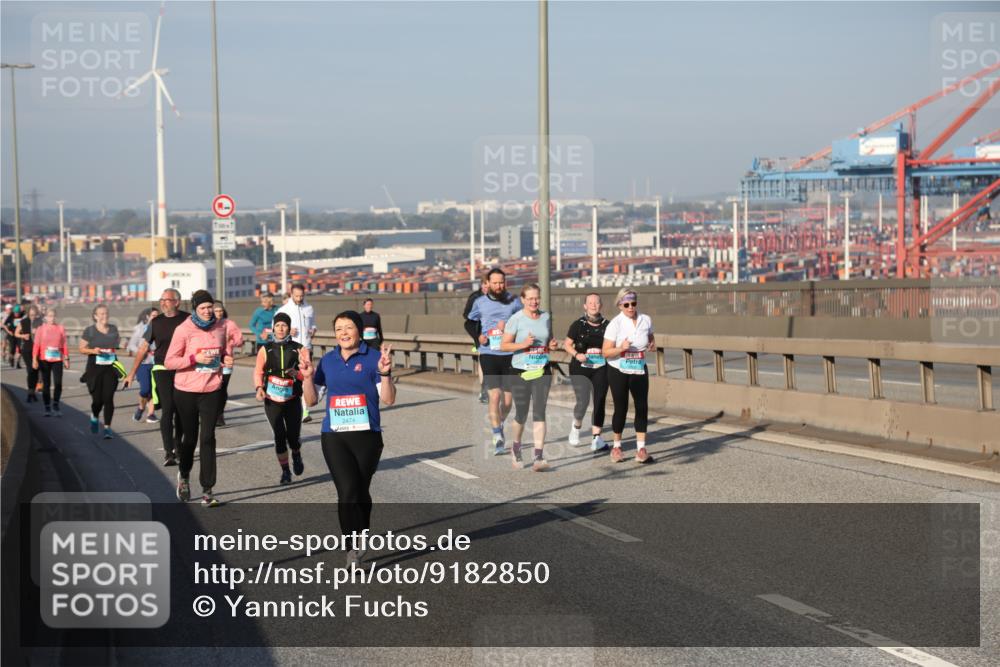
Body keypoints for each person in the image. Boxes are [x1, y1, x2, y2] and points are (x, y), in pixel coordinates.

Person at [302, 310, 395, 567]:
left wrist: (385, 374)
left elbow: (388, 399)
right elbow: (311, 400)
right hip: (334, 436)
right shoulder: (328, 360)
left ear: (359, 330)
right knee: (346, 492)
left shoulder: (374, 358)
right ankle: (351, 548)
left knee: (360, 490)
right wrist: (307, 378)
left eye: (349, 327)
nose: (344, 333)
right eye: (339, 329)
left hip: (367, 437)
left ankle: (363, 531)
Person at [163, 289, 234, 507]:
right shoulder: (184, 329)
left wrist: (227, 359)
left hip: (212, 389)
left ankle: (207, 490)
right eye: (202, 308)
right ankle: (184, 475)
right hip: (185, 391)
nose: (207, 311)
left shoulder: (221, 327)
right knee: (190, 438)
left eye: (209, 307)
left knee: (208, 438)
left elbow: (222, 352)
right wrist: (194, 358)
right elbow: (169, 361)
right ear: (195, 309)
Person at [124, 289, 188, 466]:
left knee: (181, 411)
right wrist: (131, 373)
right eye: (161, 300)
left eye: (167, 300)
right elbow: (143, 348)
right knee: (168, 409)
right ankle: (169, 452)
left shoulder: (188, 319)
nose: (163, 303)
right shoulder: (156, 322)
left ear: (177, 302)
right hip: (162, 368)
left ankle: (179, 446)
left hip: (183, 369)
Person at [500, 284, 559, 471]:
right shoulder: (515, 319)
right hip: (520, 371)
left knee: (540, 411)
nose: (534, 302)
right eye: (530, 298)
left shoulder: (546, 317)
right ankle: (516, 446)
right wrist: (523, 344)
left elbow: (548, 339)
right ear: (523, 300)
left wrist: (552, 344)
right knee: (522, 414)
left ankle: (538, 457)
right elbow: (504, 346)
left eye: (537, 298)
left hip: (542, 369)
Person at [467, 268, 522, 455]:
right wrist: (478, 337)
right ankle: (497, 434)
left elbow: (523, 320)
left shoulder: (514, 301)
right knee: (495, 396)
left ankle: (499, 420)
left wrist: (509, 328)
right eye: (496, 282)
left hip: (508, 354)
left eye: (502, 282)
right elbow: (469, 321)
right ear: (488, 283)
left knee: (507, 401)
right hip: (489, 353)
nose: (499, 286)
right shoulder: (480, 302)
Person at [254, 312, 308, 485]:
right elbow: (258, 371)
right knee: (279, 436)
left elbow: (308, 373)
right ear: (273, 327)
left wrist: (298, 374)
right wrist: (259, 387)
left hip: (292, 399)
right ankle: (285, 471)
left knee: (293, 436)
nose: (280, 328)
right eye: (277, 325)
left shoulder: (299, 348)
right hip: (272, 400)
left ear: (289, 328)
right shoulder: (265, 349)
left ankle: (297, 454)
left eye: (284, 325)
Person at [601, 288, 654, 464]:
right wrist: (621, 348)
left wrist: (652, 343)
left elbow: (650, 336)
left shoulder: (646, 319)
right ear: (620, 305)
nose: (631, 307)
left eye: (633, 303)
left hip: (638, 368)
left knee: (642, 406)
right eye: (626, 304)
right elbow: (606, 352)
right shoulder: (614, 324)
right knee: (621, 407)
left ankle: (641, 449)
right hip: (618, 369)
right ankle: (617, 446)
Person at [563, 293, 611, 452]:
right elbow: (567, 344)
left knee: (599, 400)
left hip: (601, 368)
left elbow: (613, 345)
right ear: (585, 306)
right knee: (582, 401)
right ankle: (576, 427)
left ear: (601, 305)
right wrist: (577, 354)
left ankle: (597, 438)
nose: (593, 305)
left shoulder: (608, 325)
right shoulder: (578, 325)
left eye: (596, 302)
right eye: (590, 302)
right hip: (580, 367)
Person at [79, 304, 123, 439]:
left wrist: (122, 345)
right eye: (102, 314)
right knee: (97, 400)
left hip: (110, 368)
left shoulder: (113, 329)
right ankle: (94, 416)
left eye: (106, 313)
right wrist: (93, 350)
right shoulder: (90, 331)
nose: (105, 316)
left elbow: (116, 344)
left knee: (108, 398)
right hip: (94, 369)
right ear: (95, 316)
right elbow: (81, 348)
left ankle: (108, 428)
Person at [277, 283, 317, 422]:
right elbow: (275, 329)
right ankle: (286, 407)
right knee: (290, 380)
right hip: (290, 348)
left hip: (305, 348)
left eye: (301, 296)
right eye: (296, 296)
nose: (299, 298)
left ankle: (305, 411)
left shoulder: (309, 308)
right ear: (291, 294)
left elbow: (313, 324)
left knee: (306, 379)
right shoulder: (284, 310)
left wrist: (313, 329)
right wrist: (288, 331)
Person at [32, 308, 69, 417]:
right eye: (49, 316)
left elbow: (64, 345)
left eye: (53, 316)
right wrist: (34, 359)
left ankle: (56, 404)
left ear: (55, 317)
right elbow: (36, 345)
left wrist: (66, 359)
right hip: (44, 360)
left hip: (57, 359)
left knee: (58, 383)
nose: (51, 318)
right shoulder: (40, 329)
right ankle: (47, 407)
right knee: (46, 384)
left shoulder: (60, 328)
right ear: (45, 317)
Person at [213, 300, 244, 427]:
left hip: (227, 360)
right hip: (212, 360)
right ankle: (209, 413)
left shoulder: (230, 324)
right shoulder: (208, 324)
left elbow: (239, 340)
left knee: (222, 388)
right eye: (216, 311)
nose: (219, 313)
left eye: (220, 311)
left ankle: (220, 415)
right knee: (212, 388)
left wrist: (232, 341)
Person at [127, 307, 160, 423]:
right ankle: (141, 407)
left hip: (157, 363)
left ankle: (151, 414)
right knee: (145, 389)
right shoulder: (140, 329)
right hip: (143, 363)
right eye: (153, 316)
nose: (156, 318)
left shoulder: (161, 328)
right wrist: (141, 351)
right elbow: (131, 345)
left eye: (158, 316)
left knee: (154, 390)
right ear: (148, 317)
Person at [463, 275, 490, 403]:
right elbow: (466, 316)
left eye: (488, 284)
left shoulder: (499, 298)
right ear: (481, 285)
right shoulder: (475, 297)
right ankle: (484, 390)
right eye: (484, 284)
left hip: (496, 333)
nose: (486, 287)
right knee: (484, 360)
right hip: (480, 332)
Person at [16, 304, 43, 403]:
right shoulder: (23, 322)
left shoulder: (40, 322)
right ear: (28, 314)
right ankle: (30, 392)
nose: (32, 317)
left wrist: (39, 332)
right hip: (26, 349)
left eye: (34, 315)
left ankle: (32, 392)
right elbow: (16, 333)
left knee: (36, 371)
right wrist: (23, 335)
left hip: (37, 349)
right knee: (30, 370)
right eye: (31, 315)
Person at [3, 304, 24, 368]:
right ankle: (11, 359)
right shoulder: (11, 316)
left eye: (18, 313)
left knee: (20, 348)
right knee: (13, 349)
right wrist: (9, 332)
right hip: (12, 335)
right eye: (15, 313)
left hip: (19, 335)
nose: (16, 314)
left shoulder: (22, 315)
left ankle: (18, 363)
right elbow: (5, 325)